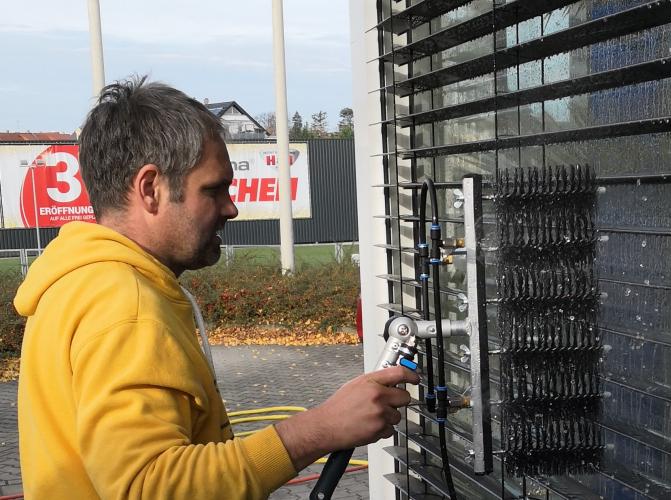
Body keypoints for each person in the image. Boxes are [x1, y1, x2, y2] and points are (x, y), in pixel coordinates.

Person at [13, 77, 418, 499]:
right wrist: (319, 429)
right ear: (150, 189)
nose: (232, 207)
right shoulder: (123, 304)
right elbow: (149, 487)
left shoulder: (74, 281)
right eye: (214, 189)